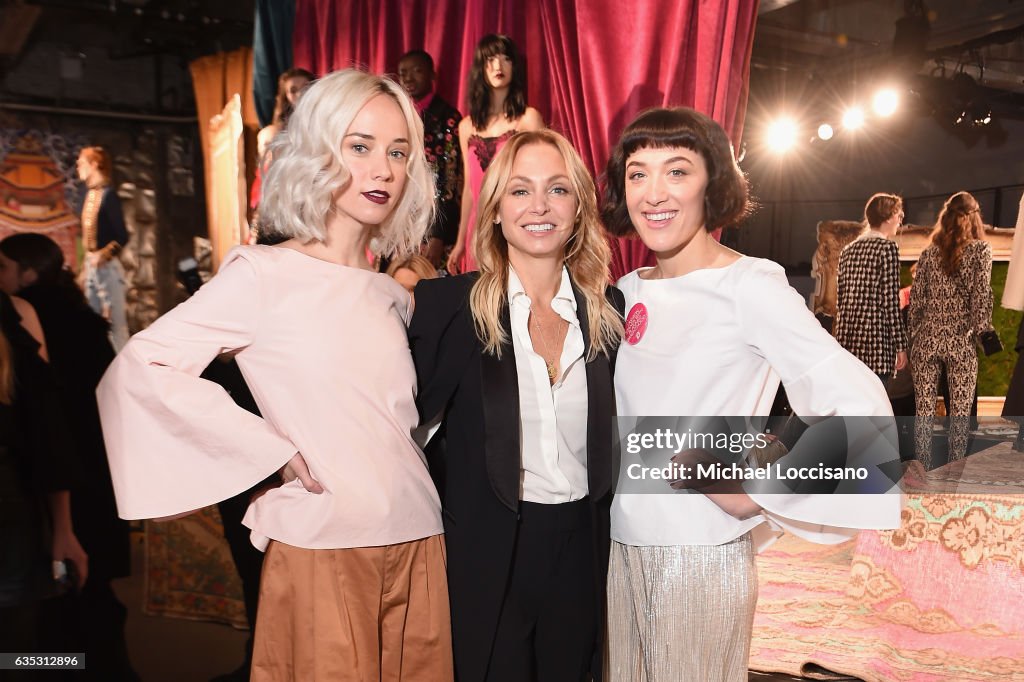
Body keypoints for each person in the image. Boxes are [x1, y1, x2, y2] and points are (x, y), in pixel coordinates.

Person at [97, 69, 453, 682]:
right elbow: (141, 365)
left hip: (420, 537)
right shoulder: (263, 276)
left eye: (398, 152)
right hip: (324, 543)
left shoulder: (390, 294)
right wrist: (269, 455)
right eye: (360, 146)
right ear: (318, 151)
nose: (384, 170)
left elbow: (394, 423)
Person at [601, 107, 901, 681]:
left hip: (698, 559)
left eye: (677, 170)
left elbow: (862, 406)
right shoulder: (627, 291)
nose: (654, 193)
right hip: (619, 554)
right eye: (638, 173)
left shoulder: (749, 287)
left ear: (712, 183)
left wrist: (759, 491)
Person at [409, 129, 624, 681]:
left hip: (583, 548)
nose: (539, 206)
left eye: (558, 190)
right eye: (520, 190)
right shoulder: (448, 308)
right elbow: (397, 426)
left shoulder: (609, 312)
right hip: (487, 553)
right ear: (496, 208)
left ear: (578, 208)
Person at [0, 233, 136, 680]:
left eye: (4, 267)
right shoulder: (69, 314)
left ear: (29, 273)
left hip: (45, 485)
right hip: (78, 477)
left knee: (43, 628)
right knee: (62, 616)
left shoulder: (24, 314)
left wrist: (60, 519)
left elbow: (45, 422)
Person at [908, 191, 995, 469]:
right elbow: (980, 300)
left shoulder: (928, 253)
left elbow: (917, 303)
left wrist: (913, 339)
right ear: (974, 216)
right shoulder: (981, 251)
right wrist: (986, 334)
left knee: (922, 411)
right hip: (960, 343)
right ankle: (954, 471)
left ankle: (921, 470)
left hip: (926, 342)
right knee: (959, 416)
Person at [447, 34, 543, 275]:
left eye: (506, 59)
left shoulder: (528, 119)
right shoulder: (466, 126)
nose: (498, 66)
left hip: (516, 221)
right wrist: (460, 242)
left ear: (515, 66)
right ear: (481, 66)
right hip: (477, 228)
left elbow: (543, 177)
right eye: (490, 59)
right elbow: (469, 188)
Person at [834, 193, 908, 388]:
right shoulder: (887, 248)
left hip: (848, 341)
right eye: (899, 215)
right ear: (889, 216)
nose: (900, 221)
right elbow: (890, 302)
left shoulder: (848, 250)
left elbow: (840, 302)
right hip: (877, 344)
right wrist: (901, 345)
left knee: (852, 407)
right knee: (873, 408)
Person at [397, 49, 463, 268]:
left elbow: (450, 180)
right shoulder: (396, 115)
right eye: (403, 72)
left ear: (432, 75)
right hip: (399, 220)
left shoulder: (448, 117)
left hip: (434, 221)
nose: (408, 78)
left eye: (417, 71)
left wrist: (438, 235)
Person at [76, 145, 129, 351]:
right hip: (92, 266)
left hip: (105, 267)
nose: (78, 167)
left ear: (94, 164)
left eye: (82, 163)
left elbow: (122, 236)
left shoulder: (108, 195)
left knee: (116, 324)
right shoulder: (90, 195)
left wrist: (104, 255)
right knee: (93, 323)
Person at [255, 68, 316, 159]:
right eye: (293, 91)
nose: (300, 93)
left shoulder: (327, 116)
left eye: (306, 87)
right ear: (286, 97)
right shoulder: (279, 129)